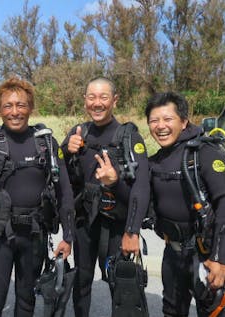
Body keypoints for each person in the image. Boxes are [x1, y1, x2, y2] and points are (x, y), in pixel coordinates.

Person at [0, 76, 74, 317]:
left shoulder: (47, 144)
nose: (15, 111)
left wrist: (68, 236)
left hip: (34, 234)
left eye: (21, 105)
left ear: (30, 107)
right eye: (8, 106)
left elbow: (65, 192)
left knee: (26, 299)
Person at [60, 76, 150, 316]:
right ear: (84, 100)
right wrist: (66, 151)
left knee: (120, 287)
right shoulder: (78, 133)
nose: (97, 103)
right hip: (84, 225)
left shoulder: (128, 137)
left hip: (117, 226)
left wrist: (132, 231)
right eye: (91, 97)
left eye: (103, 97)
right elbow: (61, 177)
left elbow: (142, 188)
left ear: (115, 100)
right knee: (81, 283)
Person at [146, 91, 225, 316]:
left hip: (206, 254)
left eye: (168, 119)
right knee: (171, 311)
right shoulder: (156, 161)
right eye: (154, 120)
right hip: (173, 253)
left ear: (184, 121)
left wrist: (220, 258)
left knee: (212, 312)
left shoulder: (205, 154)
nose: (161, 126)